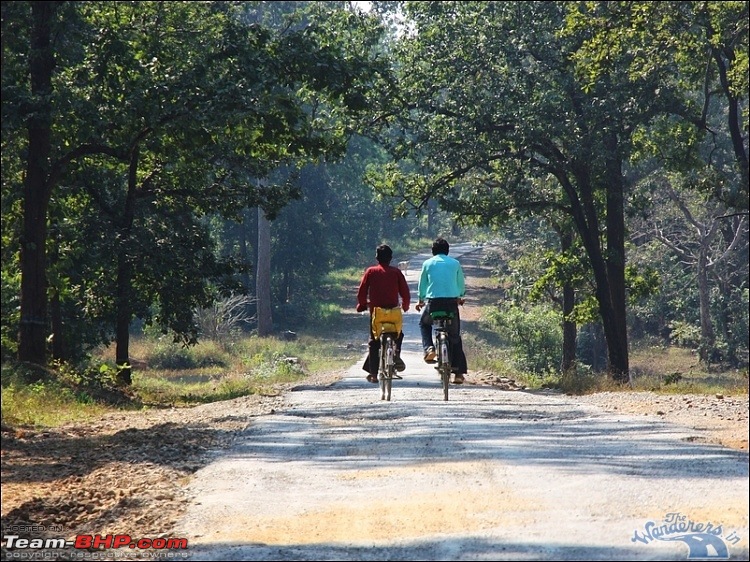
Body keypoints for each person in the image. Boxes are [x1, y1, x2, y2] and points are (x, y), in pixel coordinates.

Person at [415, 238, 468, 384]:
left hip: (434, 304)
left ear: (433, 251)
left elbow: (422, 285)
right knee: (455, 337)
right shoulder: (455, 263)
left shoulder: (427, 263)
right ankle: (458, 374)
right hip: (451, 303)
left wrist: (420, 300)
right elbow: (461, 284)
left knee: (424, 323)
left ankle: (429, 349)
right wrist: (461, 296)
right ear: (448, 251)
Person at [356, 244, 411, 383]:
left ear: (376, 258)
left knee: (374, 342)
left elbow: (362, 291)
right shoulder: (396, 272)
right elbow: (405, 292)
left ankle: (374, 374)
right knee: (398, 335)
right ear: (391, 258)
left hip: (377, 313)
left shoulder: (371, 271)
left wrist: (362, 305)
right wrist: (405, 305)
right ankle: (396, 353)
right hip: (393, 312)